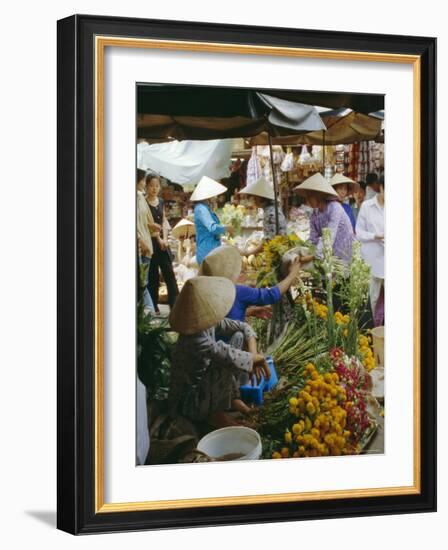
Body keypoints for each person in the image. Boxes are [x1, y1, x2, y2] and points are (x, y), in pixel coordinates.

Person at [168, 276, 270, 427]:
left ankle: (233, 399)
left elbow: (243, 327)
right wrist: (255, 359)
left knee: (238, 336)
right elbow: (225, 354)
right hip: (190, 400)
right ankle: (216, 415)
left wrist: (254, 353)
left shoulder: (208, 322)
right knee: (225, 359)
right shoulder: (193, 339)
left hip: (206, 385)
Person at [199, 245, 303, 322]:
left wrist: (248, 312)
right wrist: (292, 274)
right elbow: (270, 295)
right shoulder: (237, 291)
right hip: (230, 347)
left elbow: (224, 318)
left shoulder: (205, 294)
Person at [294, 172, 356, 264]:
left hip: (345, 255)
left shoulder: (335, 208)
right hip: (330, 256)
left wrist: (313, 256)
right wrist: (306, 250)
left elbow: (329, 237)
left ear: (319, 195)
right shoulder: (315, 213)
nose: (307, 199)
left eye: (310, 196)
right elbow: (313, 238)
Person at [145, 173, 179, 311]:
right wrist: (158, 239)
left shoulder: (161, 201)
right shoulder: (143, 202)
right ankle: (154, 308)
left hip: (163, 245)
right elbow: (147, 223)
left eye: (157, 186)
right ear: (146, 187)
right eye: (151, 186)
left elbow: (164, 221)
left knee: (169, 274)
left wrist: (165, 239)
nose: (154, 189)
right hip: (151, 244)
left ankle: (175, 306)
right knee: (152, 277)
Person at [356, 176, 385, 326]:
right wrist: (375, 236)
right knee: (371, 300)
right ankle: (370, 335)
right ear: (381, 187)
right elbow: (359, 233)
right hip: (371, 262)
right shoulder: (367, 206)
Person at [238, 176, 287, 256]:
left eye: (255, 197)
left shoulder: (271, 213)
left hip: (277, 253)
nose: (253, 200)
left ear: (261, 198)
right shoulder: (271, 210)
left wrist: (248, 253)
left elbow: (268, 241)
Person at [190, 175, 233, 264]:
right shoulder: (201, 208)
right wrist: (226, 228)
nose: (216, 197)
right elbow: (212, 228)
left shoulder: (206, 208)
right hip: (207, 251)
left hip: (212, 250)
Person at [136, 168, 155, 312]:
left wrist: (152, 225)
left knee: (142, 283)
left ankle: (147, 314)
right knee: (142, 284)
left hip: (146, 247)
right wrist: (140, 240)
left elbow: (146, 220)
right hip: (139, 247)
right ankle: (150, 314)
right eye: (143, 180)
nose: (144, 183)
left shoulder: (141, 197)